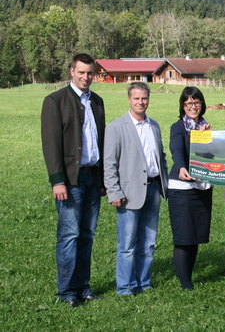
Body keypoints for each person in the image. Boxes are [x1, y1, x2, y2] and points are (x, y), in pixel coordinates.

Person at [41, 53, 105, 307]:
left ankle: (83, 287)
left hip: (92, 176)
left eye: (89, 73)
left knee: (87, 235)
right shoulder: (55, 101)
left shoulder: (97, 102)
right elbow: (51, 144)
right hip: (69, 180)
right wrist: (57, 180)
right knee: (69, 235)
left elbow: (100, 142)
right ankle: (67, 292)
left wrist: (102, 180)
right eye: (81, 72)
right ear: (71, 71)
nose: (85, 77)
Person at [104, 82, 168, 296]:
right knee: (128, 244)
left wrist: (164, 185)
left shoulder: (154, 125)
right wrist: (114, 191)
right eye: (136, 98)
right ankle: (125, 286)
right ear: (129, 99)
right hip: (128, 194)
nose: (141, 102)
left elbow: (161, 157)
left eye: (144, 98)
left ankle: (144, 282)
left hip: (152, 189)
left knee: (149, 242)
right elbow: (109, 163)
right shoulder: (116, 127)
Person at [167, 87, 212, 290]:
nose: (193, 107)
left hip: (201, 187)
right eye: (188, 103)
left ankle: (189, 277)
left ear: (202, 105)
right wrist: (181, 166)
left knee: (195, 235)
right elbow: (176, 149)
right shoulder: (178, 127)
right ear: (182, 106)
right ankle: (185, 283)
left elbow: (209, 157)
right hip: (182, 188)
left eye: (196, 103)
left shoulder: (205, 128)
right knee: (184, 235)